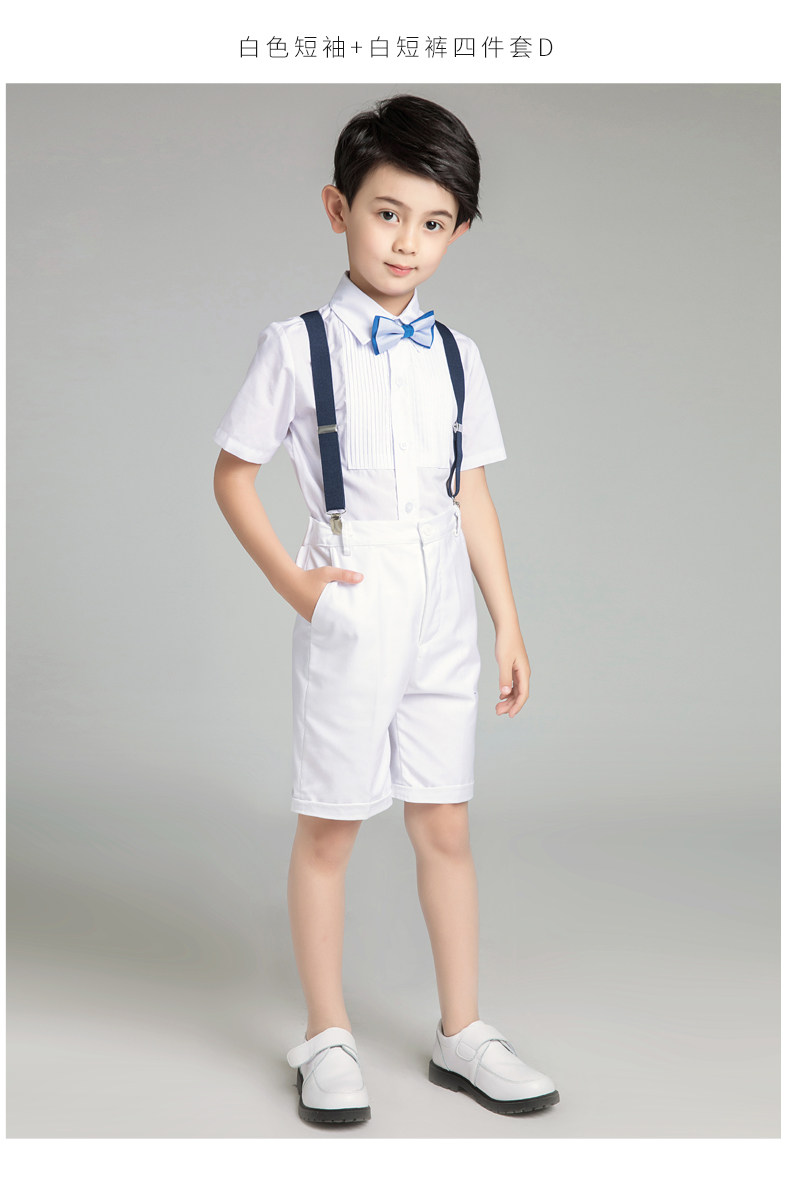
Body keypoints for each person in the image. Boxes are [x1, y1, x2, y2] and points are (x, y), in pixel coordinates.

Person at [212, 93, 560, 1125]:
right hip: (355, 590)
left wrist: (506, 619)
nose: (408, 240)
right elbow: (232, 475)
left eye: (434, 222)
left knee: (444, 819)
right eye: (387, 212)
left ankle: (462, 1030)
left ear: (460, 231)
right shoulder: (297, 346)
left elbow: (469, 491)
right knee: (331, 826)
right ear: (339, 209)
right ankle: (326, 1035)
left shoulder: (458, 354)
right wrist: (297, 585)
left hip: (443, 596)